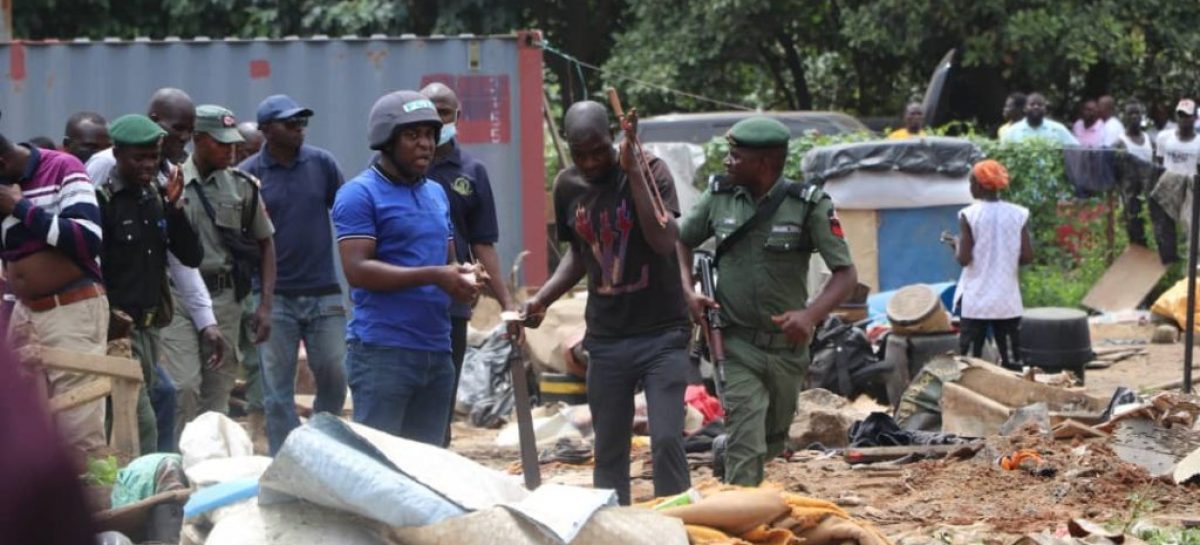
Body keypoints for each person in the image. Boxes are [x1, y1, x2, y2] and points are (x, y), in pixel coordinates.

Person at [522, 100, 690, 505]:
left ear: (613, 140)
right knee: (610, 448)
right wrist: (542, 298)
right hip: (608, 338)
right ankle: (614, 528)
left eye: (599, 150)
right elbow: (580, 253)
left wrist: (631, 172)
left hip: (663, 333)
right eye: (580, 154)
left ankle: (676, 526)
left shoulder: (651, 172)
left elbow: (663, 240)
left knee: (666, 439)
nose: (591, 161)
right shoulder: (568, 186)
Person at [678, 116, 857, 486]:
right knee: (749, 441)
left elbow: (846, 274)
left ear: (763, 162)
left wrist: (810, 316)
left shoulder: (808, 205)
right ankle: (741, 524)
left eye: (735, 155)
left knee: (772, 441)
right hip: (736, 343)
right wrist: (688, 290)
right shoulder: (719, 197)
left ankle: (729, 454)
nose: (727, 162)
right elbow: (681, 241)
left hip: (788, 350)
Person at [333, 90, 480, 445]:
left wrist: (466, 280)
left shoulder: (435, 193)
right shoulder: (359, 194)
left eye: (429, 134)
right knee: (380, 467)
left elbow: (448, 264)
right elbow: (358, 270)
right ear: (386, 140)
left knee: (427, 469)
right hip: (384, 354)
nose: (425, 144)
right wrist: (436, 276)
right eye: (412, 136)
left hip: (437, 351)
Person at [85, 89, 227, 450]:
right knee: (141, 415)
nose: (148, 165)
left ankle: (141, 482)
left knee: (155, 398)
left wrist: (176, 209)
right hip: (120, 327)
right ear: (118, 155)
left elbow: (187, 258)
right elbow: (89, 261)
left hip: (150, 327)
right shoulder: (103, 196)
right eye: (140, 159)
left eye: (153, 158)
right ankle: (149, 488)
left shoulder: (156, 196)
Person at [159, 105, 275, 442]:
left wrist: (265, 304)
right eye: (221, 143)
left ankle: (206, 467)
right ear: (197, 140)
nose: (231, 150)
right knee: (183, 386)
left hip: (225, 299)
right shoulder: (170, 181)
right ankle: (174, 463)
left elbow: (266, 244)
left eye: (233, 143)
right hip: (178, 298)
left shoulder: (242, 187)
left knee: (217, 390)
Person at [239, 94, 347, 455]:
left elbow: (348, 218)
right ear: (267, 130)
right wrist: (259, 302)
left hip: (324, 290)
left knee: (334, 372)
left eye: (302, 121)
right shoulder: (250, 174)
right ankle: (289, 459)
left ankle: (324, 445)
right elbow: (244, 238)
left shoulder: (322, 164)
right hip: (274, 298)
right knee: (277, 389)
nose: (299, 128)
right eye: (289, 123)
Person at [419, 82, 518, 445]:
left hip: (452, 305)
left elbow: (482, 245)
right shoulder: (394, 167)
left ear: (456, 117)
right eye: (428, 110)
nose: (435, 119)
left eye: (443, 112)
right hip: (406, 301)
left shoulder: (471, 173)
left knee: (443, 394)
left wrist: (507, 305)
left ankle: (438, 461)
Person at [0, 132, 108, 454]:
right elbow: (10, 263)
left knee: (79, 429)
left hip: (70, 310)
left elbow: (88, 239)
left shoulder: (63, 168)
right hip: (24, 311)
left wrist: (21, 207)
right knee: (22, 429)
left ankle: (96, 501)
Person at [952, 160, 1033, 370]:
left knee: (970, 362)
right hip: (1006, 300)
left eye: (971, 183)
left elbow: (964, 259)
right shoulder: (1018, 214)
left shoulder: (969, 215)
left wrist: (957, 245)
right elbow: (1026, 256)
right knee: (1012, 362)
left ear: (979, 185)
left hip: (976, 300)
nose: (970, 188)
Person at [234, 116, 269, 451]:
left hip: (251, 285)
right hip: (214, 289)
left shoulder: (252, 187)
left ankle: (258, 429)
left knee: (258, 359)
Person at [1000, 93, 1079, 146]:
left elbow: (1076, 148)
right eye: (1032, 104)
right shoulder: (1013, 131)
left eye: (1040, 105)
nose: (1036, 107)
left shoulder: (1058, 129)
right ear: (1025, 109)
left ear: (1045, 109)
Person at [1155, 99, 1200, 176]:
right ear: (1176, 116)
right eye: (1180, 115)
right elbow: (1160, 163)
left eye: (1187, 115)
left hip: (1189, 186)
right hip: (1167, 185)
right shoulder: (1163, 137)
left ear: (1195, 117)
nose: (1183, 119)